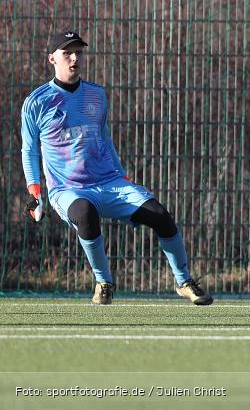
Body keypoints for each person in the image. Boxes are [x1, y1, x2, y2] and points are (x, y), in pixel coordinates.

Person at [21, 30, 213, 306]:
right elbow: (29, 150)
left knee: (159, 214)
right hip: (69, 189)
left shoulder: (96, 95)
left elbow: (104, 140)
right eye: (67, 53)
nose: (75, 58)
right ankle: (104, 282)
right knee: (85, 213)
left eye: (79, 52)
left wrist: (121, 175)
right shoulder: (36, 102)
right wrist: (34, 192)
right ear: (52, 58)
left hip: (109, 183)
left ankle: (183, 282)